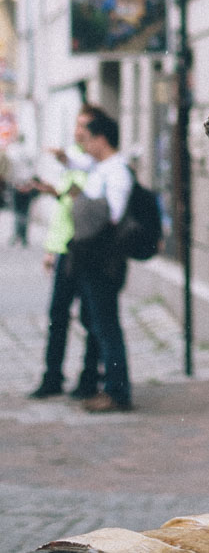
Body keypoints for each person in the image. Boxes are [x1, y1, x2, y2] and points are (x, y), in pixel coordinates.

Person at [27, 105, 103, 400]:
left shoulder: (94, 160)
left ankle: (89, 377)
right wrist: (50, 248)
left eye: (85, 125)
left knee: (90, 317)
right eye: (77, 125)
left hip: (87, 249)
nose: (78, 131)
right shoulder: (72, 156)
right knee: (57, 315)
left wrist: (67, 192)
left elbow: (87, 202)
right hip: (65, 249)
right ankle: (52, 376)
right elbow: (63, 211)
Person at [69, 109, 134, 412]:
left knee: (107, 327)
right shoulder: (100, 168)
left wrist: (83, 206)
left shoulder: (116, 171)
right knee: (97, 324)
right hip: (90, 260)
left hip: (103, 261)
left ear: (102, 139)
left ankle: (117, 391)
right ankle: (104, 386)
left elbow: (112, 217)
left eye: (88, 138)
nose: (85, 144)